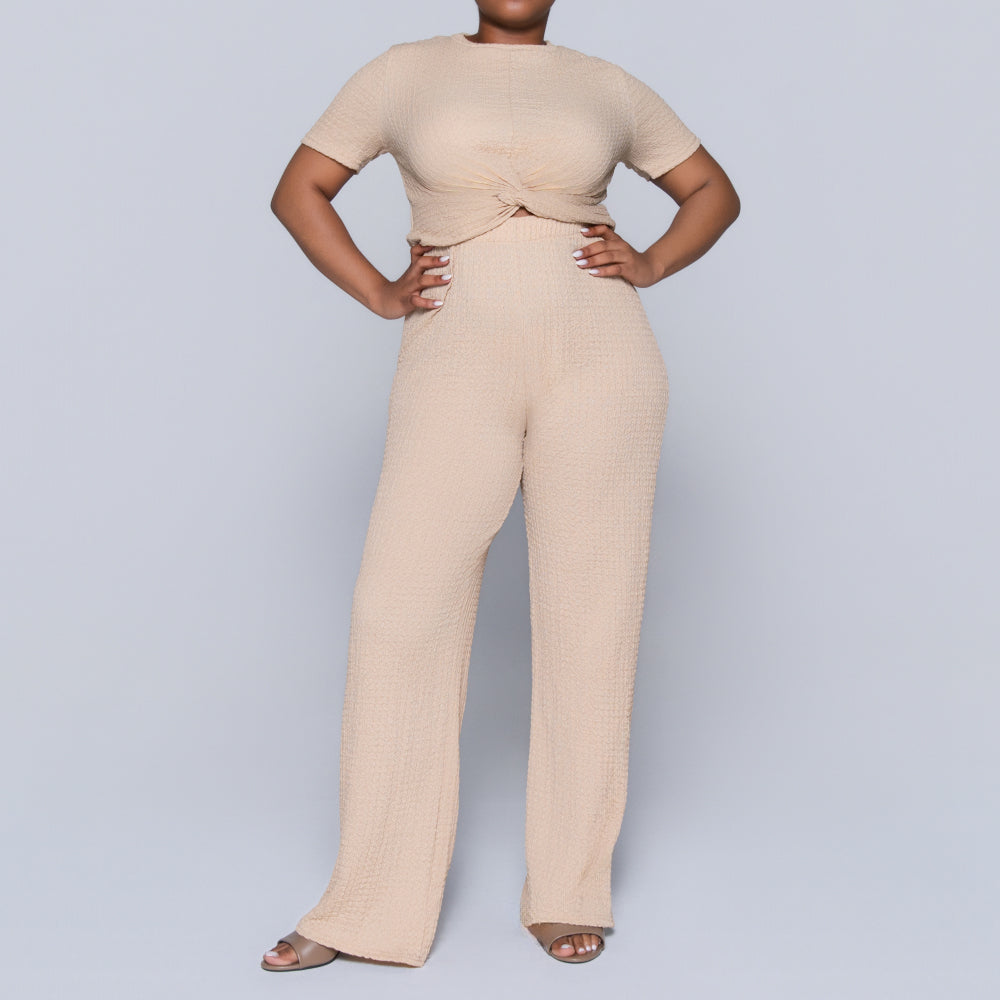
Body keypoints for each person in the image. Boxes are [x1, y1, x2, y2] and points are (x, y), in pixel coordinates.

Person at [262, 0, 740, 971]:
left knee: (591, 615)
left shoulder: (605, 85)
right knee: (398, 610)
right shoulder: (402, 72)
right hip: (454, 355)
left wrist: (651, 261)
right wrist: (379, 290)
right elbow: (299, 188)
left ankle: (570, 888)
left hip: (601, 356)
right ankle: (367, 906)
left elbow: (711, 192)